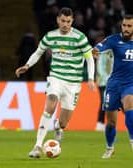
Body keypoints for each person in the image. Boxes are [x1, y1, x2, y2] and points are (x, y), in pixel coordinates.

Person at [15, 7, 95, 158]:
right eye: (63, 21)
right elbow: (38, 51)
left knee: (64, 123)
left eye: (68, 22)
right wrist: (27, 65)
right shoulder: (50, 36)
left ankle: (58, 126)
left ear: (72, 21)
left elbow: (89, 58)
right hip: (56, 78)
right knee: (50, 105)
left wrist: (90, 78)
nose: (65, 24)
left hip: (73, 84)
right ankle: (37, 147)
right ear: (58, 20)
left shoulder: (80, 37)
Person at [92, 14, 133, 159]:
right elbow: (100, 46)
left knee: (130, 108)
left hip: (130, 84)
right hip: (114, 84)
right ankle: (110, 148)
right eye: (124, 25)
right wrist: (95, 50)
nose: (126, 29)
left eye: (129, 26)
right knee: (111, 122)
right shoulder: (115, 39)